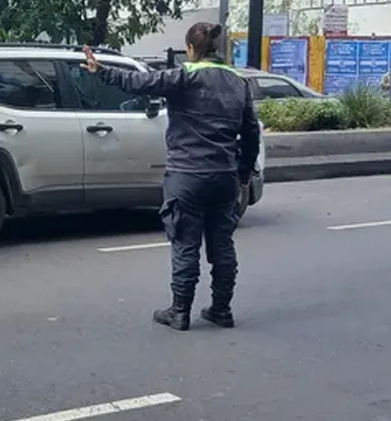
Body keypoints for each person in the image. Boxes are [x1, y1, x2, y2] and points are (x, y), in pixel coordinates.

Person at [81, 22, 261, 332]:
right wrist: (243, 173)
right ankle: (221, 309)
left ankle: (180, 311)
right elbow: (251, 133)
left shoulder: (183, 76)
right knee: (222, 245)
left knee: (185, 243)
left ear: (191, 49)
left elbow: (139, 82)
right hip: (224, 176)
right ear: (216, 50)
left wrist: (101, 71)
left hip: (187, 175)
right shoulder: (239, 82)